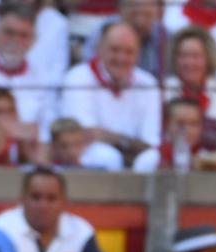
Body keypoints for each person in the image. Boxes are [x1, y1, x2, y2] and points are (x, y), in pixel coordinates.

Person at [59, 21, 161, 165]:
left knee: (152, 158)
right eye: (115, 50)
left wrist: (112, 138)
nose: (121, 58)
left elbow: (150, 143)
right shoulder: (77, 77)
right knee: (107, 156)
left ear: (138, 54)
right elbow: (85, 134)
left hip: (136, 157)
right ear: (100, 48)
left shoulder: (148, 83)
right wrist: (127, 143)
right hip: (90, 155)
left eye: (129, 52)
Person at [0, 3, 58, 142]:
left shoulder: (42, 76)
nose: (15, 40)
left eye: (24, 35)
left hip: (23, 156)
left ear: (34, 40)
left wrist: (33, 133)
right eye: (9, 32)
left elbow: (49, 126)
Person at [163, 25, 216, 145]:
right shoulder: (162, 90)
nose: (189, 63)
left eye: (196, 56)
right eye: (183, 56)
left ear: (208, 59)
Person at [130, 96, 203, 170]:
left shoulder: (207, 158)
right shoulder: (150, 159)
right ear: (167, 125)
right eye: (180, 124)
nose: (187, 130)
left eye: (194, 124)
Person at [46, 116, 126, 169]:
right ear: (53, 146)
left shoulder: (102, 161)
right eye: (64, 146)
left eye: (77, 144)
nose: (72, 152)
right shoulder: (47, 170)